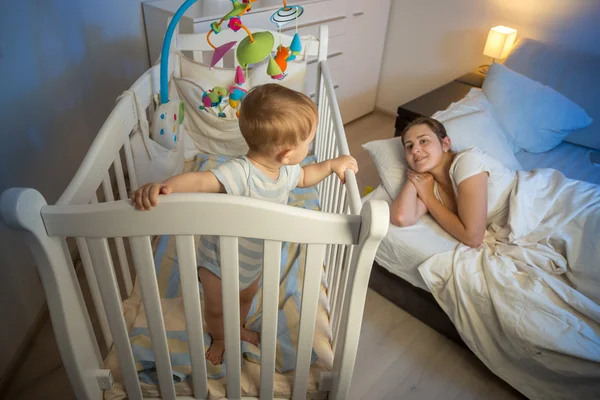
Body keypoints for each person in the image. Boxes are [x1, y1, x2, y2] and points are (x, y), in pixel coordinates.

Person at [131, 83, 358, 364]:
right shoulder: (240, 173)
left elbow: (305, 176)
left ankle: (236, 327)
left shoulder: (286, 171)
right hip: (219, 261)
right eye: (308, 142)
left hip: (256, 257)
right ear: (287, 153)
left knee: (245, 298)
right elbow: (201, 180)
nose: (309, 148)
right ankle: (221, 336)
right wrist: (165, 187)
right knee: (216, 308)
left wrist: (330, 165)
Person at [390, 117, 515, 248]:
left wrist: (428, 197)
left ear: (445, 144)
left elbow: (473, 238)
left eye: (424, 141)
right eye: (409, 146)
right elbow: (401, 218)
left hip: (532, 206)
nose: (415, 150)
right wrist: (414, 177)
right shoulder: (428, 183)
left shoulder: (467, 161)